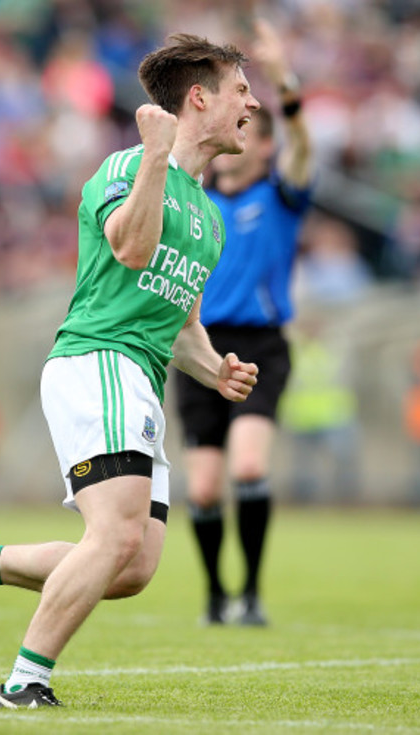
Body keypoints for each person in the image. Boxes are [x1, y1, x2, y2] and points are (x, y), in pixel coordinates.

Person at [0, 33, 260, 710]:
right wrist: (156, 159)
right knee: (115, 535)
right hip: (99, 361)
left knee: (131, 568)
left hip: (141, 377)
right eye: (241, 90)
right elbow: (130, 247)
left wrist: (215, 369)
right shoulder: (126, 166)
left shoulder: (209, 219)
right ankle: (23, 681)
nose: (253, 102)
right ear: (200, 98)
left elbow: (180, 324)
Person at [175, 18, 314, 626]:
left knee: (250, 466)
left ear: (263, 145)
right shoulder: (196, 198)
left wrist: (283, 78)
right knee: (204, 489)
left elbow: (303, 143)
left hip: (261, 343)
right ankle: (213, 594)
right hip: (198, 346)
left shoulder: (281, 196)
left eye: (259, 129)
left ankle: (252, 594)